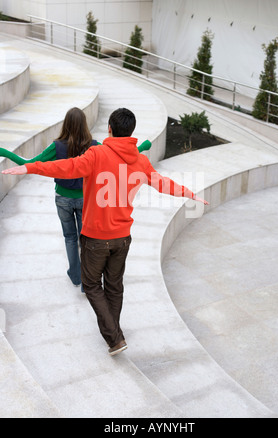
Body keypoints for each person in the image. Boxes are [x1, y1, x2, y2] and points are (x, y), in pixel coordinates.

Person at [2, 108, 209, 356]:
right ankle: (115, 332)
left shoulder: (97, 154)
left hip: (96, 238)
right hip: (122, 238)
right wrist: (189, 193)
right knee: (114, 286)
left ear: (109, 129)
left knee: (90, 285)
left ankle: (114, 337)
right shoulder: (140, 161)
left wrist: (28, 168)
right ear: (131, 131)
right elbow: (162, 184)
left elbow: (66, 167)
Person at [0, 107, 152, 292]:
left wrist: (4, 152)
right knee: (86, 240)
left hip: (62, 199)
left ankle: (75, 275)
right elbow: (120, 156)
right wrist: (142, 147)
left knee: (69, 237)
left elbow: (28, 163)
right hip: (85, 201)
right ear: (85, 125)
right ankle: (87, 281)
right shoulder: (95, 145)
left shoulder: (56, 146)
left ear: (66, 125)